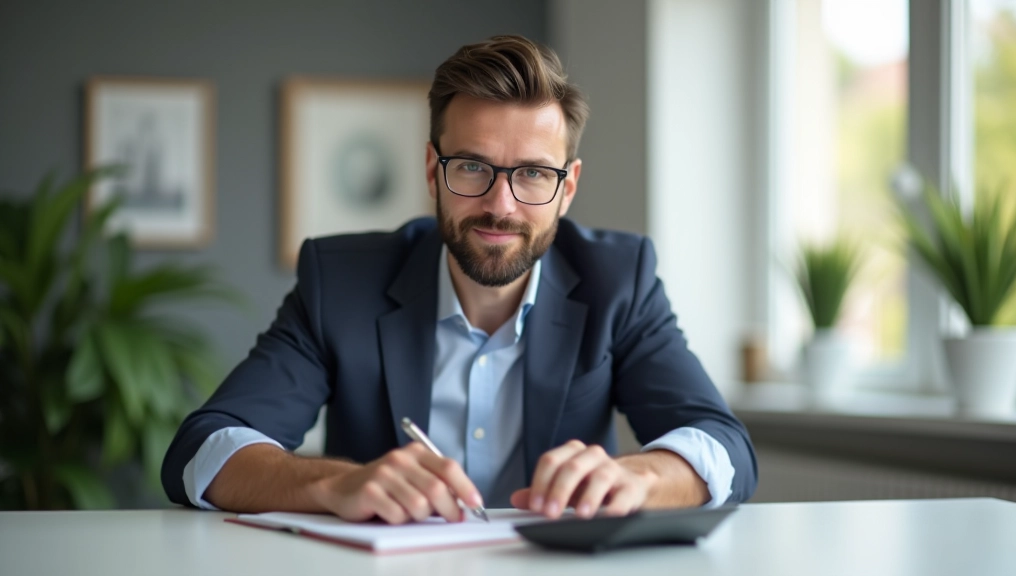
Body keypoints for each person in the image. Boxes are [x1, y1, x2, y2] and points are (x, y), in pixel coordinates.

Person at [161, 34, 757, 525]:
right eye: (472, 166)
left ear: (567, 188)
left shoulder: (619, 280)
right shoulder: (340, 281)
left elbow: (724, 449)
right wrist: (334, 483)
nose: (501, 205)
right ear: (431, 169)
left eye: (532, 174)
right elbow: (202, 451)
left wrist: (639, 475)